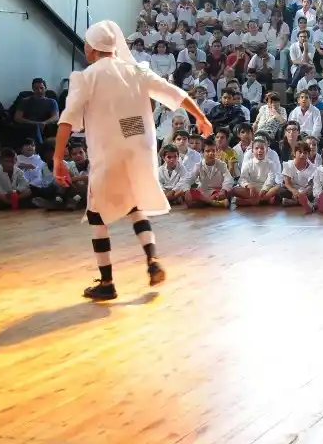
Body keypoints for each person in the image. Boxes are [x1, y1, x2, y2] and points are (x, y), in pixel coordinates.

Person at [52, 20, 212, 301]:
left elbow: (67, 120)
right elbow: (175, 94)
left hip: (108, 152)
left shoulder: (87, 77)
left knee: (95, 214)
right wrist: (201, 116)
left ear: (92, 48)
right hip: (140, 148)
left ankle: (106, 282)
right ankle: (152, 261)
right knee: (134, 204)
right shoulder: (137, 69)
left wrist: (57, 159)